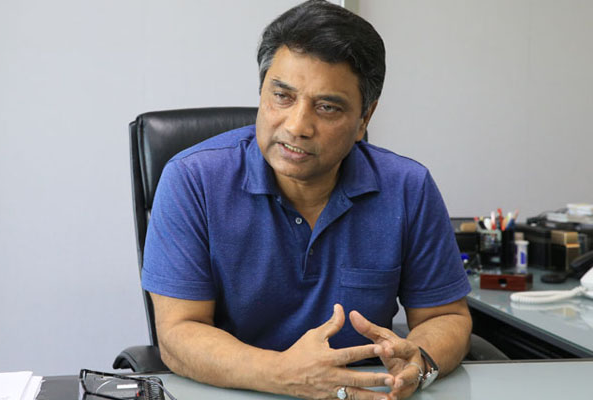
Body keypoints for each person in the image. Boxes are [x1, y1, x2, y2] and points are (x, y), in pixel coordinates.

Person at [141, 1, 472, 399]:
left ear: (365, 118)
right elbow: (178, 333)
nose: (298, 126)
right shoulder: (191, 179)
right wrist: (285, 374)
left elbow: (446, 316)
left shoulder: (408, 187)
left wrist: (420, 361)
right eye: (282, 96)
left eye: (327, 107)